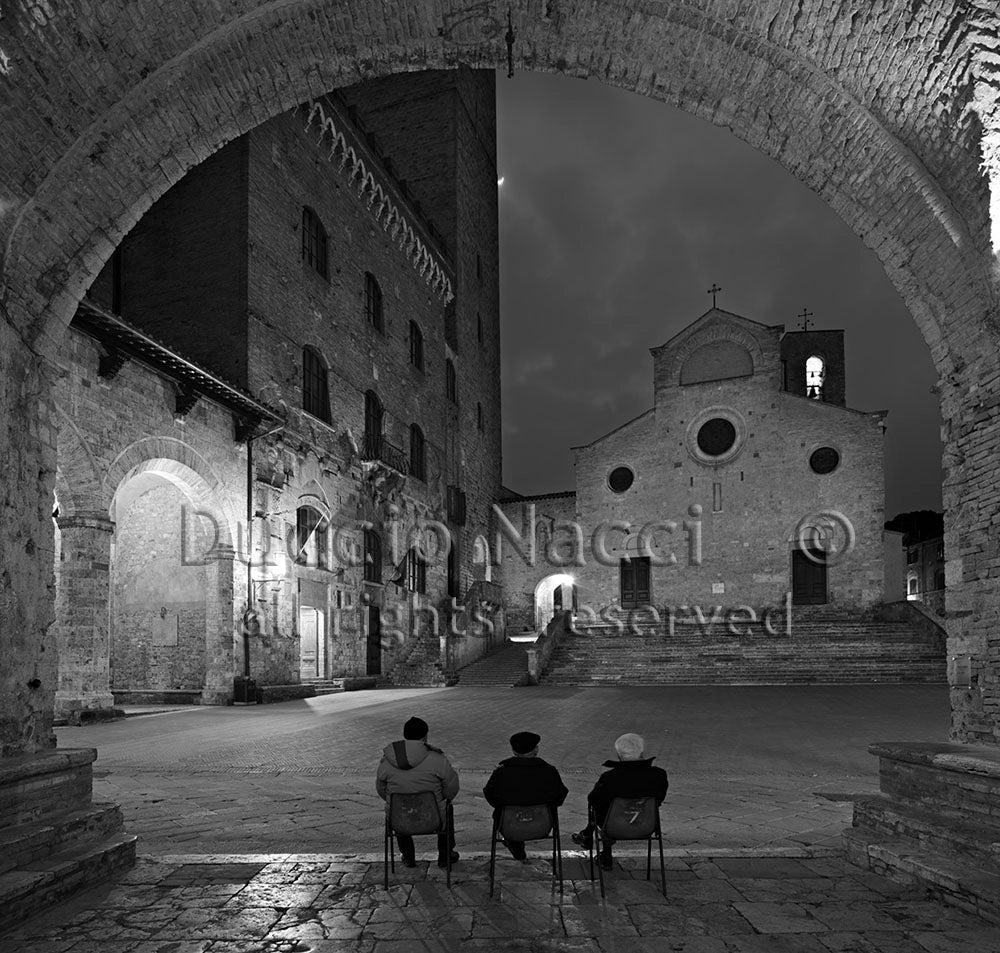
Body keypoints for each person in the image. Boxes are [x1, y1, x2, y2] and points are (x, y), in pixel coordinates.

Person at [571, 733, 668, 869]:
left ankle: (603, 850)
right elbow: (660, 799)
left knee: (602, 807)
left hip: (613, 827)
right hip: (646, 825)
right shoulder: (659, 775)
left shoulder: (610, 778)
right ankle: (589, 837)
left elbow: (593, 800)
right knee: (606, 807)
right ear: (641, 751)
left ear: (618, 754)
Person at [376, 716, 460, 868]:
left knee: (396, 807)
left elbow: (381, 788)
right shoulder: (437, 758)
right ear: (425, 735)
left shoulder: (388, 759)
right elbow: (452, 787)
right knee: (448, 807)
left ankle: (408, 856)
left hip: (399, 818)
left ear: (404, 735)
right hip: (433, 817)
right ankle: (445, 855)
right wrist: (444, 798)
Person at [483, 731, 568, 861]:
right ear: (536, 750)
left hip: (508, 826)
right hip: (543, 826)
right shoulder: (549, 772)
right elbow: (560, 797)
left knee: (505, 813)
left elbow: (490, 795)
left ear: (514, 751)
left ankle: (515, 844)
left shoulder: (501, 773)